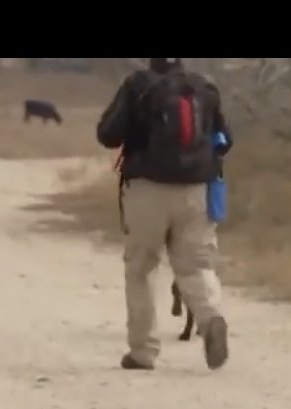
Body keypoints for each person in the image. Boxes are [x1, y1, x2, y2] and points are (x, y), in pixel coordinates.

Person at [96, 58, 233, 371]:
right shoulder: (204, 87)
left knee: (141, 268)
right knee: (196, 265)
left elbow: (107, 134)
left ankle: (143, 352)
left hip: (147, 189)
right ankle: (210, 317)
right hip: (196, 190)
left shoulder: (138, 85)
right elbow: (226, 141)